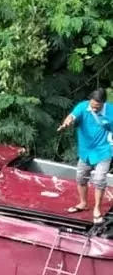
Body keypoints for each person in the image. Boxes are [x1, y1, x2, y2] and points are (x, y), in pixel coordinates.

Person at [57, 88, 112, 224]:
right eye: (92, 105)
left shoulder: (110, 110)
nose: (93, 108)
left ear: (103, 103)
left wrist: (109, 125)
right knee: (81, 177)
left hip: (104, 150)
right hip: (86, 151)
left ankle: (97, 209)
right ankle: (83, 203)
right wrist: (67, 122)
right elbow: (72, 116)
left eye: (97, 107)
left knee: (99, 179)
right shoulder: (83, 106)